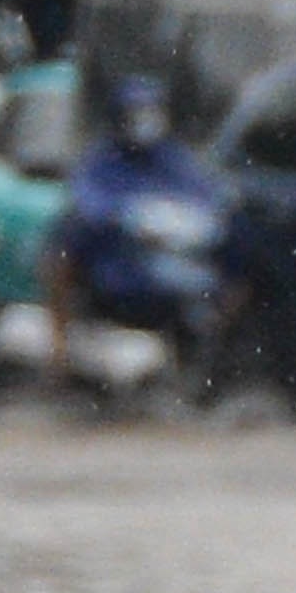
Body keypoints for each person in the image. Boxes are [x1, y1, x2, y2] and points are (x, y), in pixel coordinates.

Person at [54, 74, 233, 381]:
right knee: (59, 252)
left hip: (174, 273)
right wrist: (128, 218)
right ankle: (60, 355)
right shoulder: (102, 162)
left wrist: (178, 224)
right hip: (116, 272)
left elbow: (207, 201)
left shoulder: (174, 159)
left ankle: (210, 374)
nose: (144, 122)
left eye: (151, 113)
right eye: (136, 114)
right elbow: (87, 203)